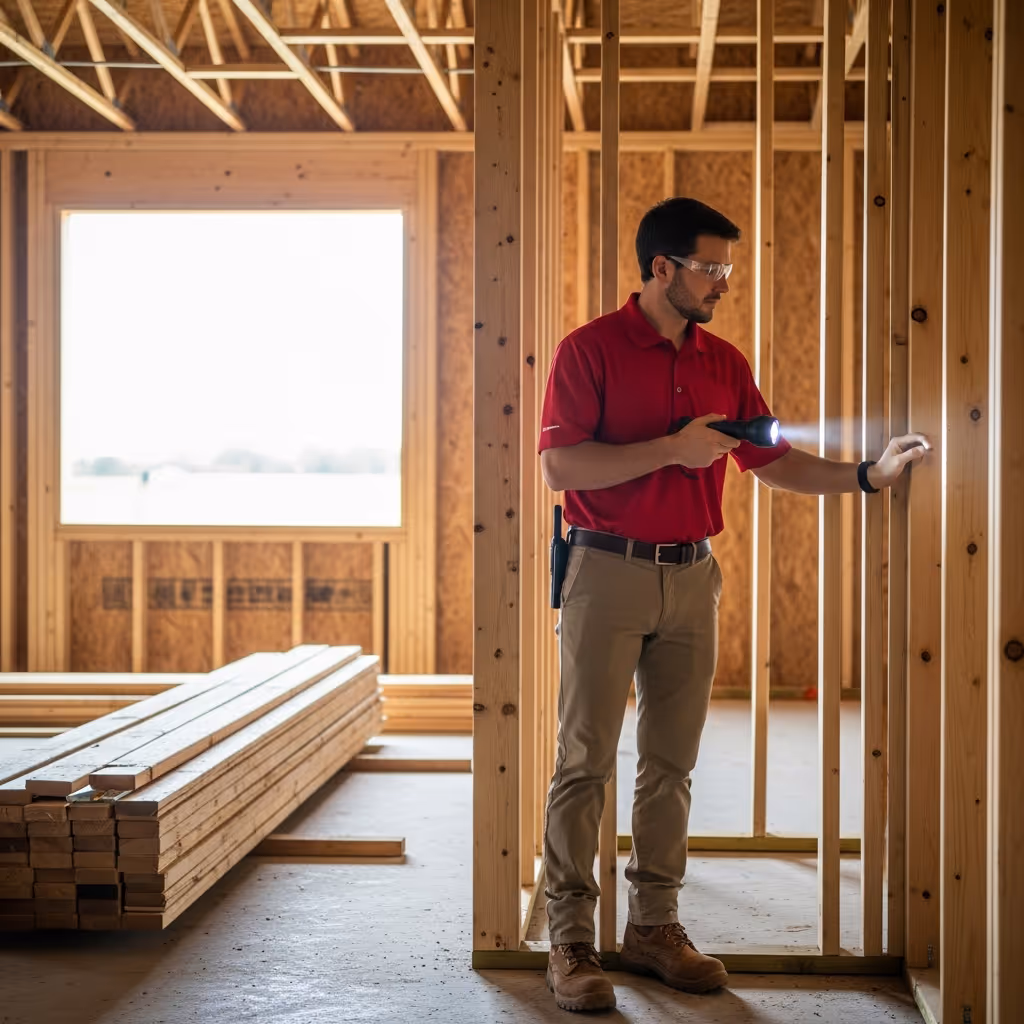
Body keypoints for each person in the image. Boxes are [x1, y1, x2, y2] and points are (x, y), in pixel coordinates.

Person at [537, 197, 929, 1013]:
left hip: (692, 577)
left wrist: (865, 475)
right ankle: (571, 940)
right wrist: (673, 450)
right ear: (661, 268)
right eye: (710, 267)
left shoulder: (723, 360)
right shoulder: (590, 351)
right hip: (605, 572)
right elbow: (563, 469)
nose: (723, 282)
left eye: (727, 268)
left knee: (671, 767)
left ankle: (653, 928)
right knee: (585, 762)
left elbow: (772, 462)